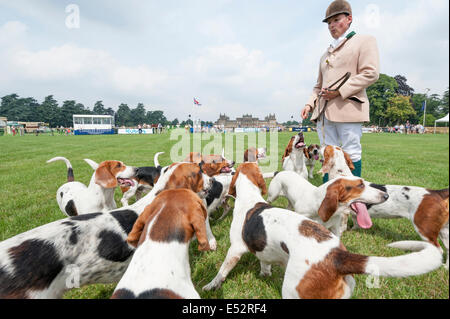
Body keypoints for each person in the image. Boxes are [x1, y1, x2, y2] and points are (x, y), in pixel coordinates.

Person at [301, 0, 379, 182]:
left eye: (336, 20)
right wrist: (309, 103)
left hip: (348, 107)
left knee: (351, 150)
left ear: (349, 19)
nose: (332, 26)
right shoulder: (324, 54)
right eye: (329, 23)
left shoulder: (364, 41)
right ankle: (327, 193)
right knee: (327, 151)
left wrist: (339, 91)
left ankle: (353, 193)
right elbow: (318, 85)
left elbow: (371, 73)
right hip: (323, 111)